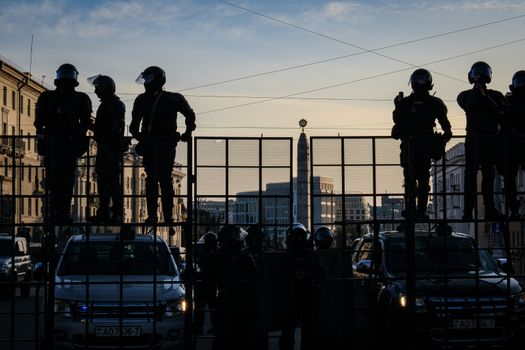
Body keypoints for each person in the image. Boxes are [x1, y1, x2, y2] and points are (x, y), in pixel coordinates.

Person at [130, 66, 196, 226]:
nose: (144, 82)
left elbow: (133, 127)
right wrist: (186, 133)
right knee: (165, 180)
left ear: (152, 79)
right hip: (167, 144)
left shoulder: (142, 99)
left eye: (146, 79)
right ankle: (168, 216)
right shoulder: (174, 98)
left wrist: (143, 138)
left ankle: (152, 216)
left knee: (152, 180)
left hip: (151, 145)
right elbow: (190, 115)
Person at [35, 63, 92, 224]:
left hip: (63, 143)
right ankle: (58, 212)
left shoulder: (50, 97)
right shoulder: (52, 97)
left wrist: (76, 134)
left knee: (62, 180)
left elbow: (85, 122)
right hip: (60, 143)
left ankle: (60, 212)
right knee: (58, 180)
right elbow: (39, 120)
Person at [392, 68, 452, 219]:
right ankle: (420, 211)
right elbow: (446, 127)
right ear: (429, 83)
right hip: (424, 147)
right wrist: (443, 138)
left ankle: (412, 210)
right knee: (423, 180)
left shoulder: (405, 103)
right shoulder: (434, 103)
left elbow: (397, 122)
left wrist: (397, 105)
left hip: (409, 147)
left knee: (410, 181)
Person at [457, 62, 506, 220]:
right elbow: (469, 106)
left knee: (489, 175)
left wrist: (483, 95)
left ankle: (490, 208)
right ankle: (467, 211)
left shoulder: (496, 95)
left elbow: (499, 113)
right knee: (470, 176)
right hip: (474, 138)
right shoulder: (465, 95)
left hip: (489, 139)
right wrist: (476, 91)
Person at [211, 225, 257, 350]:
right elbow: (255, 277)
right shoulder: (244, 257)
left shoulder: (218, 257)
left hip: (229, 301)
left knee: (225, 337)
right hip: (240, 302)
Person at [87, 74, 126, 223]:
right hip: (105, 146)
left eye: (97, 87)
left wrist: (95, 128)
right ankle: (105, 210)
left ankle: (115, 211)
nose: (96, 91)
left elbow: (112, 128)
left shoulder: (115, 104)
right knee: (104, 180)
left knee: (111, 181)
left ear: (104, 88)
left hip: (110, 147)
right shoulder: (108, 104)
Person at [280, 223, 319, 350]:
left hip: (296, 297)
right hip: (299, 297)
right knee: (302, 331)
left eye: (300, 238)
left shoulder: (288, 255)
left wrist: (305, 274)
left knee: (293, 331)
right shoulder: (307, 255)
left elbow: (319, 272)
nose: (299, 241)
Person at [500, 70, 525, 218]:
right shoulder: (508, 101)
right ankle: (514, 209)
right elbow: (503, 121)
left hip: (512, 145)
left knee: (510, 180)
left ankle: (514, 210)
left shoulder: (508, 100)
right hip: (512, 145)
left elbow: (503, 120)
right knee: (509, 180)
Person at [194, 231, 219, 334]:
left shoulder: (203, 251)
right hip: (209, 284)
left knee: (203, 308)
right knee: (210, 307)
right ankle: (204, 327)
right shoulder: (215, 252)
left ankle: (199, 328)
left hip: (205, 283)